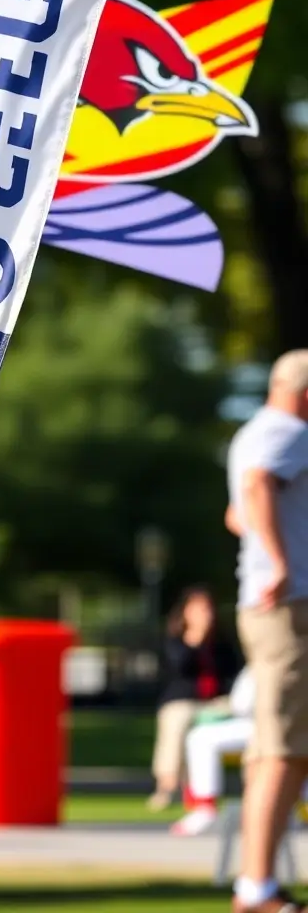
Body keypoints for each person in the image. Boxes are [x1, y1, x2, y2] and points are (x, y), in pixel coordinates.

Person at [228, 350, 308, 913]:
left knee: (273, 751)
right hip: (287, 605)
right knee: (283, 751)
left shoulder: (251, 431)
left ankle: (260, 887)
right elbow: (256, 489)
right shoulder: (289, 431)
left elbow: (235, 514)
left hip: (262, 607)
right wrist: (279, 561)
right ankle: (256, 890)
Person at [148, 586, 239, 810]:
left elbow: (232, 673)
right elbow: (180, 667)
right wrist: (196, 637)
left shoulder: (221, 644)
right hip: (183, 701)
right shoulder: (175, 641)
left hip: (216, 701)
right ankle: (167, 784)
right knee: (178, 721)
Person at [171, 667, 255, 835]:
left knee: (201, 738)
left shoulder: (266, 660)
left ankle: (205, 808)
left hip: (266, 727)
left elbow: (242, 704)